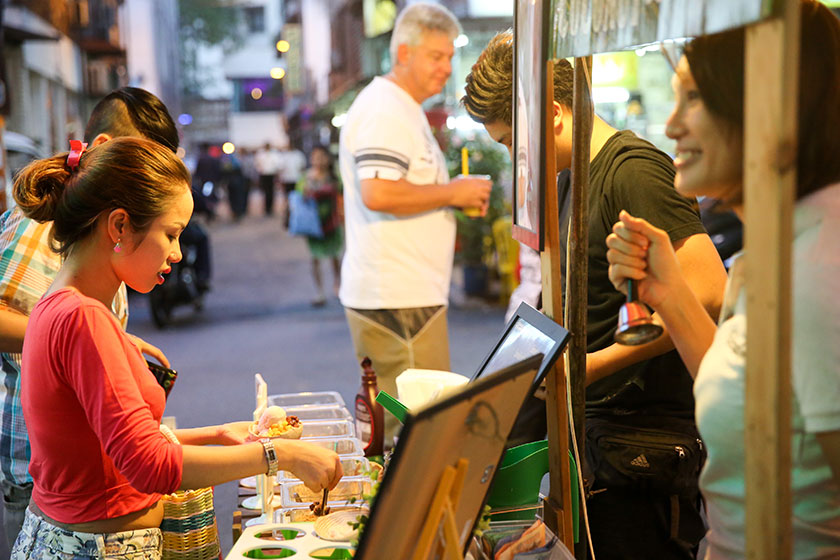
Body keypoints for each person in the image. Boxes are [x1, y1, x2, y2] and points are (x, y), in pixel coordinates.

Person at [9, 137, 342, 559]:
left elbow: (110, 446)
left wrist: (218, 436)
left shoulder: (60, 305)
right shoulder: (83, 319)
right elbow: (148, 464)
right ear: (119, 226)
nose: (178, 253)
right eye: (170, 234)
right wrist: (282, 454)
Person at [462, 31, 728, 558]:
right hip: (597, 449)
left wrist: (590, 366)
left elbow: (710, 291)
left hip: (642, 452)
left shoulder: (633, 170)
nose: (511, 156)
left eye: (508, 141)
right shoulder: (568, 179)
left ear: (553, 114)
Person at [605, 3, 840, 557]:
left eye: (695, 97)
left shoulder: (817, 271)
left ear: (767, 105)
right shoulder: (776, 249)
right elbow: (756, 394)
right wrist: (669, 296)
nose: (670, 125)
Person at [0, 86, 189, 548]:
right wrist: (98, 346)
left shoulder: (92, 277)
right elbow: (150, 463)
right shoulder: (48, 235)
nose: (177, 252)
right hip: (44, 481)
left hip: (79, 485)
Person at [338, 2, 491, 443]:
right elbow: (379, 192)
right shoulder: (386, 109)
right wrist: (452, 193)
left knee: (415, 430)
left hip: (406, 296)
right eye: (436, 56)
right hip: (397, 299)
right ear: (403, 53)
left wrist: (450, 196)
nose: (447, 67)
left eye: (449, 55)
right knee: (418, 435)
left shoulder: (399, 107)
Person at [297, 145, 343, 306]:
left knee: (334, 256)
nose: (318, 160)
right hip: (313, 225)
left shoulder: (334, 176)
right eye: (315, 157)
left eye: (322, 157)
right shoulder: (306, 177)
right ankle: (319, 292)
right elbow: (299, 196)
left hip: (332, 221)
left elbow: (343, 191)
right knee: (315, 258)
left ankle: (338, 286)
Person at [279, 144, 308, 229]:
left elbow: (302, 167)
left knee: (297, 201)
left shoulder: (299, 155)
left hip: (297, 181)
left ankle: (297, 220)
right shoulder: (284, 155)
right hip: (287, 181)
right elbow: (281, 168)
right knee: (287, 201)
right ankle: (288, 220)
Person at [255, 143, 280, 216]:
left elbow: (277, 164)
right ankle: (266, 208)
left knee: (271, 192)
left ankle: (270, 208)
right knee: (265, 192)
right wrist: (260, 170)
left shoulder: (274, 154)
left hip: (271, 175)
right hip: (264, 175)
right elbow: (257, 164)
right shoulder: (261, 154)